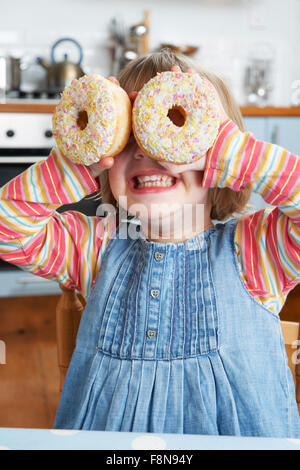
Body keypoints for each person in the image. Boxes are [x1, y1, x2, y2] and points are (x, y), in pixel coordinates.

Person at [0, 49, 299, 437]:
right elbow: (8, 230)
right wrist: (73, 163)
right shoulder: (93, 248)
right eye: (125, 138)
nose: (145, 150)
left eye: (173, 126)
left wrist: (238, 154)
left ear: (222, 155)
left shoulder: (258, 250)